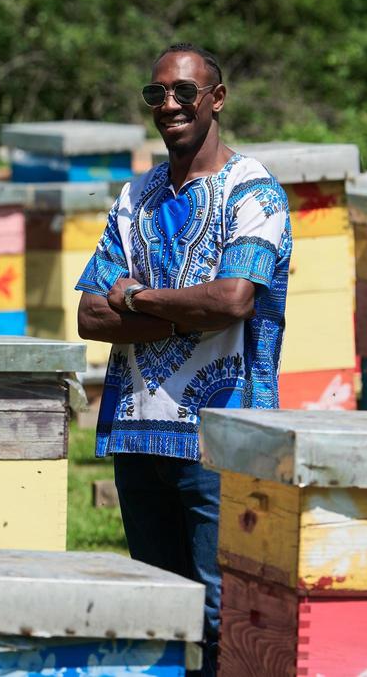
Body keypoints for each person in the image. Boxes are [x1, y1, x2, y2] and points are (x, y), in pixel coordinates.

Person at [75, 42, 291, 676]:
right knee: (158, 618)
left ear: (216, 100)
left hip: (224, 439)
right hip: (139, 436)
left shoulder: (254, 191)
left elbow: (231, 299)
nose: (168, 104)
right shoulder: (134, 197)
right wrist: (182, 307)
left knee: (223, 615)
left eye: (183, 92)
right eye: (156, 94)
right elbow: (91, 315)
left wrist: (139, 297)